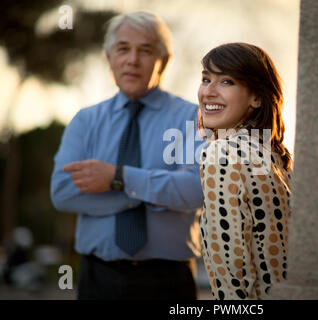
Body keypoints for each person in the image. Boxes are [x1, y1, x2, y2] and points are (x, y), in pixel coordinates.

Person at [50, 12, 204, 300]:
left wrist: (117, 178)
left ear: (164, 61)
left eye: (145, 50)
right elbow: (62, 193)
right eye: (123, 49)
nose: (132, 60)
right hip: (97, 280)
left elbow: (197, 190)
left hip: (168, 282)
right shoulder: (85, 121)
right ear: (109, 58)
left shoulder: (191, 119)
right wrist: (157, 192)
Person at [197, 43, 292, 300]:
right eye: (206, 79)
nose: (208, 92)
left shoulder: (222, 154)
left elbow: (230, 265)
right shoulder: (275, 156)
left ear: (256, 97)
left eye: (226, 81)